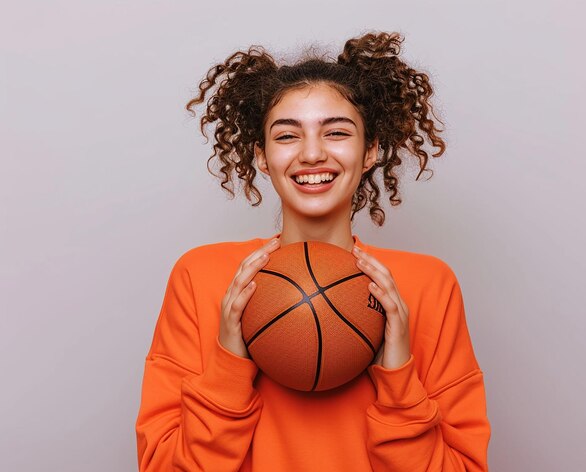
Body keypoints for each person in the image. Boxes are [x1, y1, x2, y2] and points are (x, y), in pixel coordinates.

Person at [135, 31, 490, 471]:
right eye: (286, 136)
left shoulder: (427, 285)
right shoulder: (201, 276)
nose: (312, 153)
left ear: (371, 151)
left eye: (336, 132)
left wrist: (398, 380)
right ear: (261, 156)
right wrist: (228, 363)